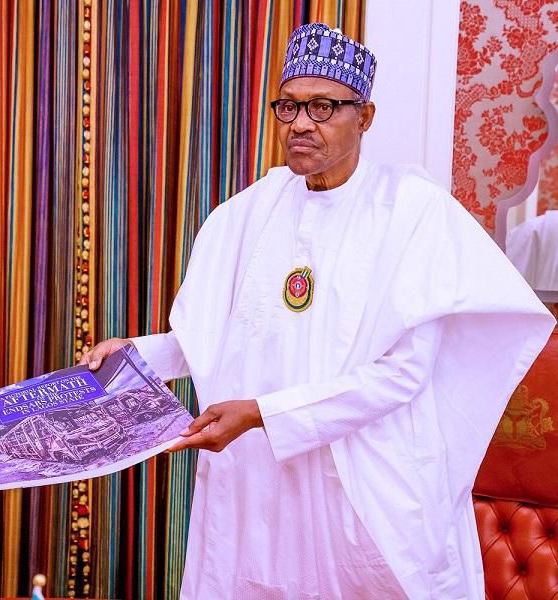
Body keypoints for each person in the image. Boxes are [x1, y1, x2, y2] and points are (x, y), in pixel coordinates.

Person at [82, 23, 555, 599]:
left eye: (323, 106)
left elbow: (403, 374)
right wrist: (135, 355)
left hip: (364, 481)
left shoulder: (413, 211)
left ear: (365, 116)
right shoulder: (246, 213)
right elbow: (210, 338)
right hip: (259, 483)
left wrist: (263, 414)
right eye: (289, 105)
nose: (301, 123)